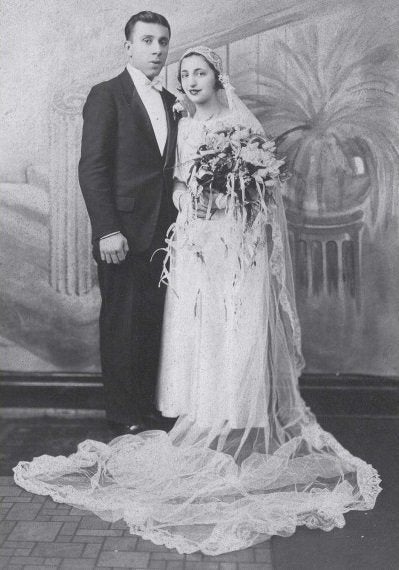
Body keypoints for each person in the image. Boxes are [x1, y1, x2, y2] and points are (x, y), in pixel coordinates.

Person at [14, 47, 381, 556]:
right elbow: (178, 180)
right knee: (191, 322)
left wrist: (232, 192)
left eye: (198, 72)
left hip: (233, 240)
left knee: (232, 320)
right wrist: (191, 197)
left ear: (216, 78)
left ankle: (233, 409)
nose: (188, 80)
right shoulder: (180, 120)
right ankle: (189, 405)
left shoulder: (237, 122)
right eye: (183, 73)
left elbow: (261, 187)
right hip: (190, 241)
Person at [78, 11, 178, 435]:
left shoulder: (172, 101)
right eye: (148, 41)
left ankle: (147, 408)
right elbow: (93, 168)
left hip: (165, 233)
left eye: (162, 42)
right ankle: (123, 414)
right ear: (129, 47)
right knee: (121, 322)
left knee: (154, 321)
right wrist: (107, 230)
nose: (156, 50)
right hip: (121, 232)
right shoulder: (107, 94)